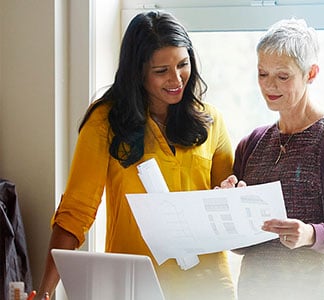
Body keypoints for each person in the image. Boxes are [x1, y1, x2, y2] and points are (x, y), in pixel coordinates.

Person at [32, 10, 235, 300]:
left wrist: (230, 192)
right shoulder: (105, 122)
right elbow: (75, 214)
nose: (176, 79)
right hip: (135, 286)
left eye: (183, 64)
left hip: (209, 286)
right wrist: (45, 291)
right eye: (161, 71)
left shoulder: (210, 120)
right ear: (138, 72)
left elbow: (228, 202)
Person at [219, 18, 324, 300]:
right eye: (262, 74)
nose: (269, 85)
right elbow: (240, 246)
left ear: (311, 73)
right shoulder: (251, 144)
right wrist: (230, 209)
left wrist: (309, 234)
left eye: (283, 76)